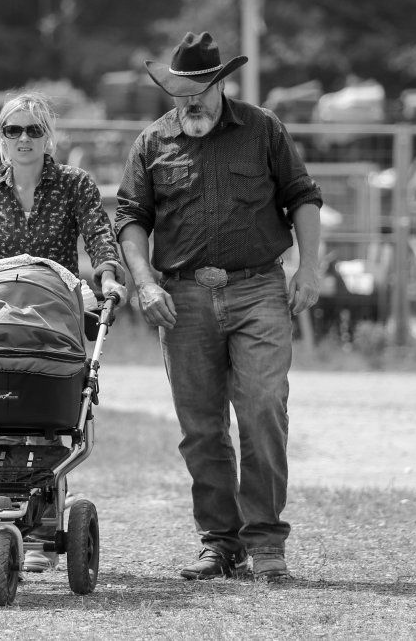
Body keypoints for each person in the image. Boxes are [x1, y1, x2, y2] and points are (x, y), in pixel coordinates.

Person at [115, 32, 323, 581]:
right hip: (181, 297)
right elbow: (131, 219)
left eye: (203, 88)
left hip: (258, 288)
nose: (193, 100)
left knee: (261, 409)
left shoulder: (262, 129)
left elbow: (302, 195)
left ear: (223, 84)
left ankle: (266, 540)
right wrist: (145, 282)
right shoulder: (150, 143)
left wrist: (310, 266)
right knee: (202, 428)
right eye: (182, 90)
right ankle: (219, 541)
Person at [0, 90, 128, 572]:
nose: (22, 139)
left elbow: (100, 236)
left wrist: (107, 276)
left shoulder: (74, 185)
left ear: (48, 138)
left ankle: (42, 524)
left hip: (52, 317)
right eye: (11, 130)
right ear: (0, 139)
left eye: (33, 130)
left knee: (46, 419)